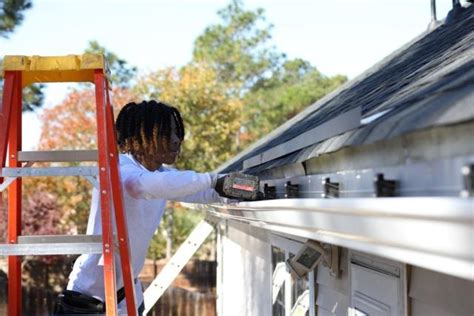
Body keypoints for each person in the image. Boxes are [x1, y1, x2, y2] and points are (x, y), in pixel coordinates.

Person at [54, 100, 231, 315]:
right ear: (142, 136)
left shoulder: (160, 174)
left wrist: (238, 189)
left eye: (177, 133)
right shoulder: (119, 168)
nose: (177, 140)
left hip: (127, 291)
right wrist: (213, 180)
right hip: (90, 296)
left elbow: (201, 191)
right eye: (168, 133)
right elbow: (141, 186)